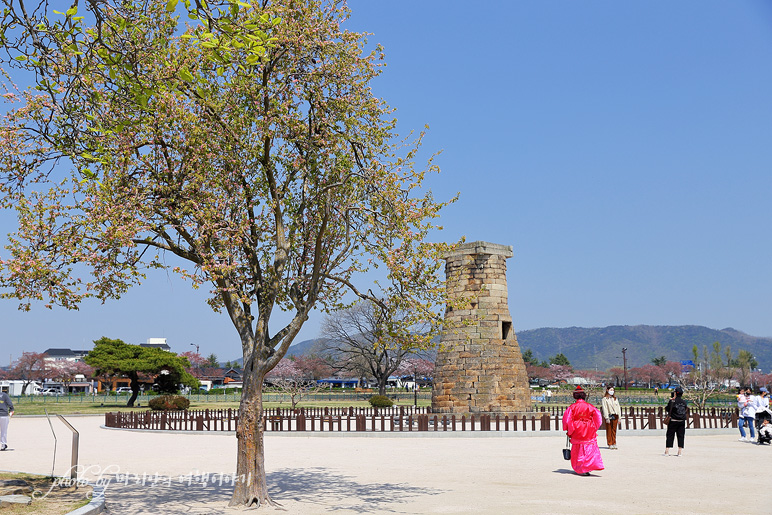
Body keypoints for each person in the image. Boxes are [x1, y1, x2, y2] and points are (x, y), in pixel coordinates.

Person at [562, 385, 604, 476]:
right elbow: (599, 418)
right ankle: (587, 466)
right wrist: (594, 427)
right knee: (589, 447)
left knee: (577, 448)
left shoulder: (572, 407)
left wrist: (568, 429)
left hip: (576, 428)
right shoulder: (590, 406)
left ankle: (580, 467)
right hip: (588, 427)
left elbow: (567, 419)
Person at [664, 386, 687, 456]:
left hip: (673, 420)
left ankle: (667, 451)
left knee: (670, 435)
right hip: (682, 421)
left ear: (675, 393)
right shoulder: (684, 402)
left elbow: (667, 409)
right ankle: (679, 451)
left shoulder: (672, 401)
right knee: (681, 436)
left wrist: (671, 401)